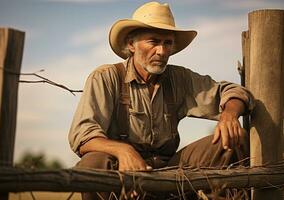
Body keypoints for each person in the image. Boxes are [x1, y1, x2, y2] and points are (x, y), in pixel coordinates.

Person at [69, 1, 254, 199]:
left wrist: (229, 114)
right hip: (123, 174)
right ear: (131, 44)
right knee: (93, 163)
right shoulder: (106, 77)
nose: (162, 51)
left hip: (172, 174)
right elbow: (83, 136)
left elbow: (231, 90)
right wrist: (124, 151)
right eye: (153, 41)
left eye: (167, 43)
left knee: (232, 140)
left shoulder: (179, 79)